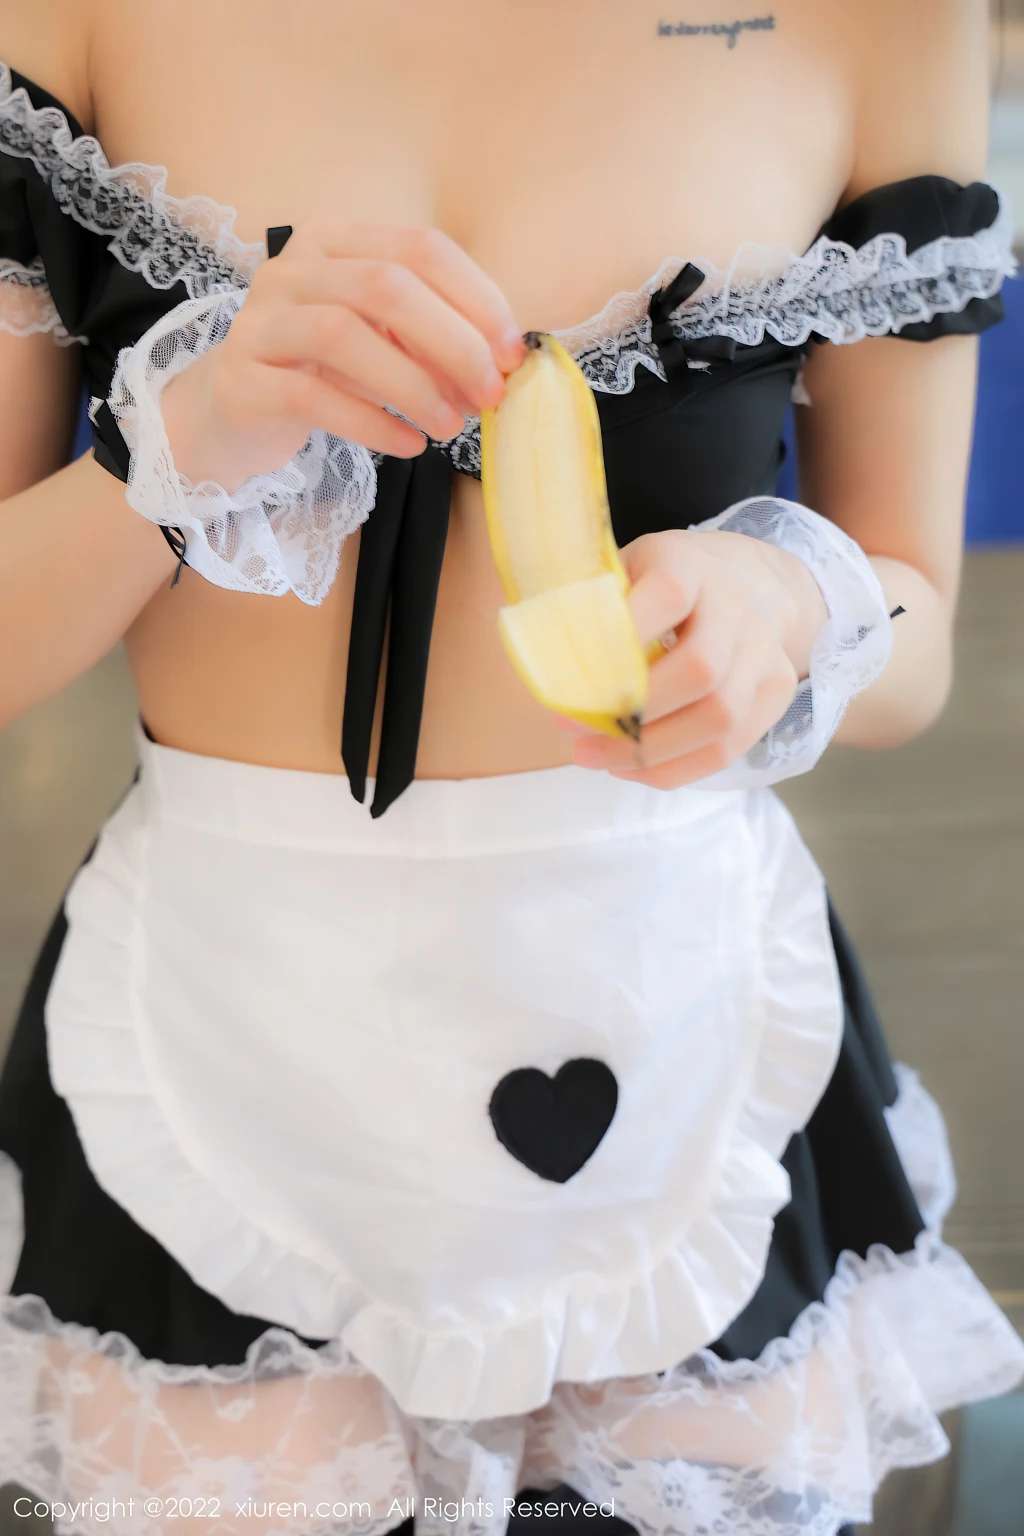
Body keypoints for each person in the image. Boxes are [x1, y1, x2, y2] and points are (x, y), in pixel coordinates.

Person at [1, 2, 1022, 1533]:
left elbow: (913, 625)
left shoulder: (880, 24)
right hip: (228, 1024)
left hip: (674, 1021)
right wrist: (176, 444)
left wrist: (800, 600)